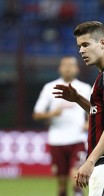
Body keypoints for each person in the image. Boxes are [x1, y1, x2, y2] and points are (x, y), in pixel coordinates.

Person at [53, 21, 104, 196]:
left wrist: (89, 162)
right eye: (79, 46)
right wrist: (77, 99)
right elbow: (101, 114)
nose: (81, 50)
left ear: (102, 43)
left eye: (85, 44)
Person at [33, 56, 91, 196]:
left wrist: (88, 123)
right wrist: (52, 113)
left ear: (77, 69)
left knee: (76, 178)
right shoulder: (49, 88)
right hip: (56, 140)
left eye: (71, 65)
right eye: (64, 65)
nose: (67, 68)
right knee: (61, 186)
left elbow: (93, 109)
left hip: (77, 139)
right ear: (59, 68)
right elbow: (37, 114)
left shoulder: (84, 88)